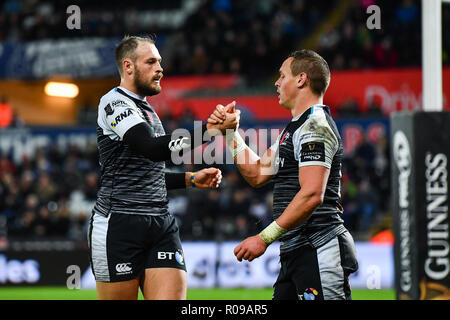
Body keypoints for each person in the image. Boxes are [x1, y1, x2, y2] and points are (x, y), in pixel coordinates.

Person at [88, 35, 239, 300]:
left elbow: (149, 173)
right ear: (128, 66)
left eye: (160, 61)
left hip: (160, 222)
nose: (160, 68)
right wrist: (210, 130)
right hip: (120, 223)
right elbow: (151, 147)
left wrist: (191, 179)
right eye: (151, 62)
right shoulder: (113, 103)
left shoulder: (147, 110)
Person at [208, 50, 359, 300]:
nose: (277, 83)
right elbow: (256, 173)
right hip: (297, 251)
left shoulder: (315, 127)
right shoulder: (296, 128)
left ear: (301, 79)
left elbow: (312, 194)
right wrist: (230, 133)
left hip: (319, 247)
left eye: (282, 76)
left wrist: (264, 238)